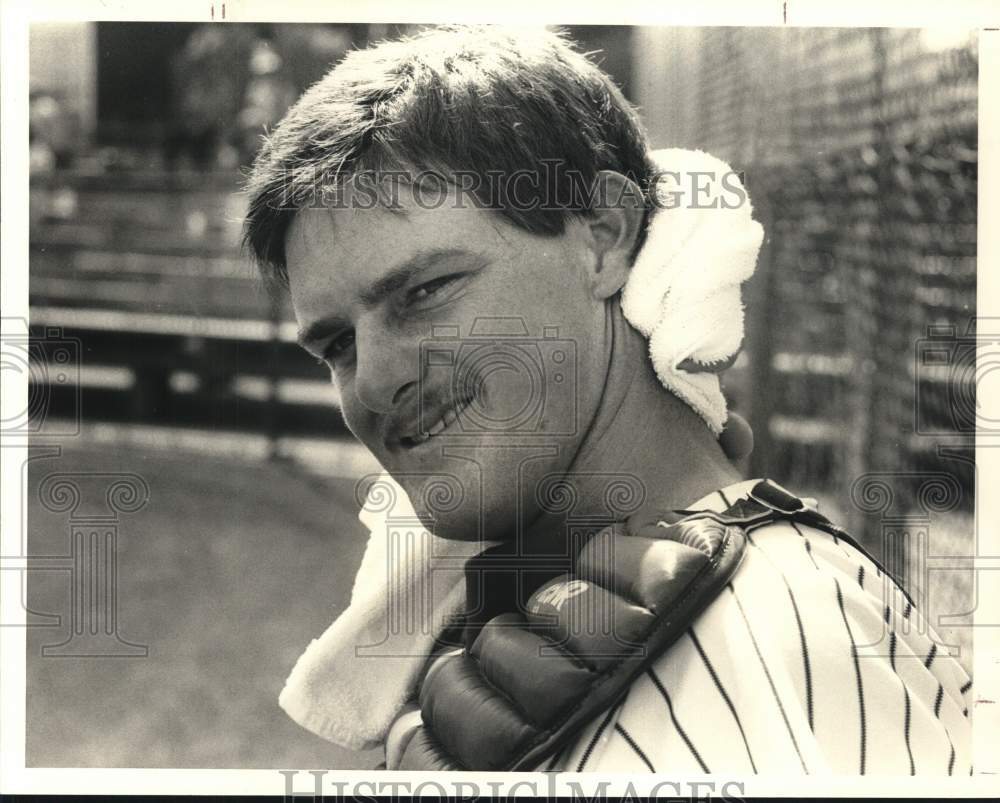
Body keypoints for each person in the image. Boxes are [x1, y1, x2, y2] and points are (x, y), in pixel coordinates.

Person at [243, 25, 972, 773]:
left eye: (424, 292)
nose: (370, 380)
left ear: (604, 236)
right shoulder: (525, 618)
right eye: (336, 344)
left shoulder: (773, 630)